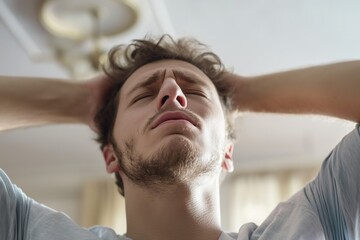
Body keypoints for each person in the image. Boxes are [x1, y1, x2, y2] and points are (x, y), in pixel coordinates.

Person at [0, 35, 359, 240]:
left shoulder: (312, 225)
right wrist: (79, 103)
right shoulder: (29, 231)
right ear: (110, 156)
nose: (173, 92)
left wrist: (241, 94)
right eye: (143, 95)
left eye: (194, 92)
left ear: (227, 153)